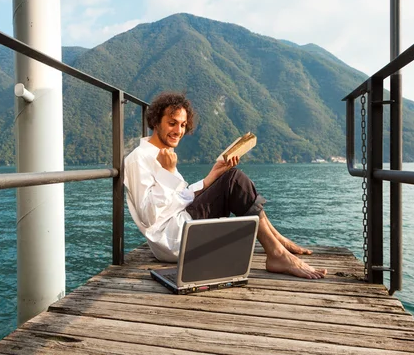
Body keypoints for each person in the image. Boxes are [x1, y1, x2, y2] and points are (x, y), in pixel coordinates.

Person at [124, 91, 327, 279]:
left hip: (180, 223)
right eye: (172, 123)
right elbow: (149, 217)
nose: (178, 130)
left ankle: (277, 241)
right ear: (155, 122)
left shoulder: (163, 154)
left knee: (228, 175)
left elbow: (179, 199)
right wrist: (167, 174)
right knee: (233, 180)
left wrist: (212, 175)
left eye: (183, 125)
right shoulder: (138, 158)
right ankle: (276, 252)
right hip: (173, 239)